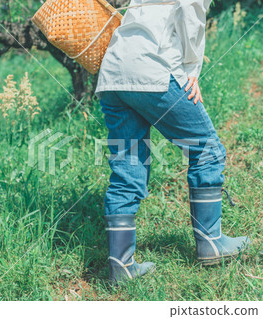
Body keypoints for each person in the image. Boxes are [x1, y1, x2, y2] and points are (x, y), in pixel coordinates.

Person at [95, 0, 250, 283]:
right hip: (152, 68)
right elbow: (192, 11)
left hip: (113, 72)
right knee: (206, 151)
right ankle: (211, 242)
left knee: (127, 167)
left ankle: (121, 266)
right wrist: (191, 70)